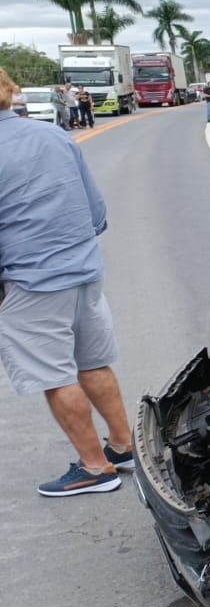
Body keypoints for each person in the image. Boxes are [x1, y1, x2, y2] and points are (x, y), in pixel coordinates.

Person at [0, 70, 131, 496]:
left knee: (55, 374)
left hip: (31, 279)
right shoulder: (53, 136)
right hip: (84, 269)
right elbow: (95, 211)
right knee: (91, 362)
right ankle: (121, 445)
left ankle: (95, 468)